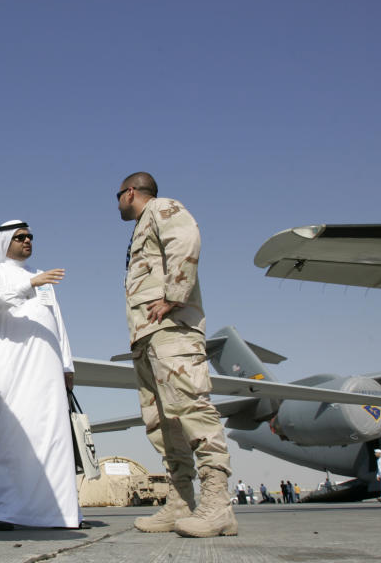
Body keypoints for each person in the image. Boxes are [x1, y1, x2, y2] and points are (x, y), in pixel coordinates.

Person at [117, 173, 237, 538]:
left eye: (118, 196)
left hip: (172, 331)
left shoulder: (161, 207)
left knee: (191, 409)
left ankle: (217, 505)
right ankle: (181, 502)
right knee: (162, 422)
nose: (118, 203)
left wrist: (174, 295)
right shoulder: (141, 226)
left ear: (131, 192)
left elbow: (186, 239)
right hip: (147, 336)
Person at [0, 220, 81, 531]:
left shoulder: (43, 278)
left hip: (49, 369)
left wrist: (67, 365)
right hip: (14, 367)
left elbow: (57, 323)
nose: (27, 241)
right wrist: (31, 284)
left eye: (30, 237)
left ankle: (63, 514)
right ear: (5, 241)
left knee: (55, 436)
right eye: (20, 237)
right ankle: (9, 512)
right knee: (14, 436)